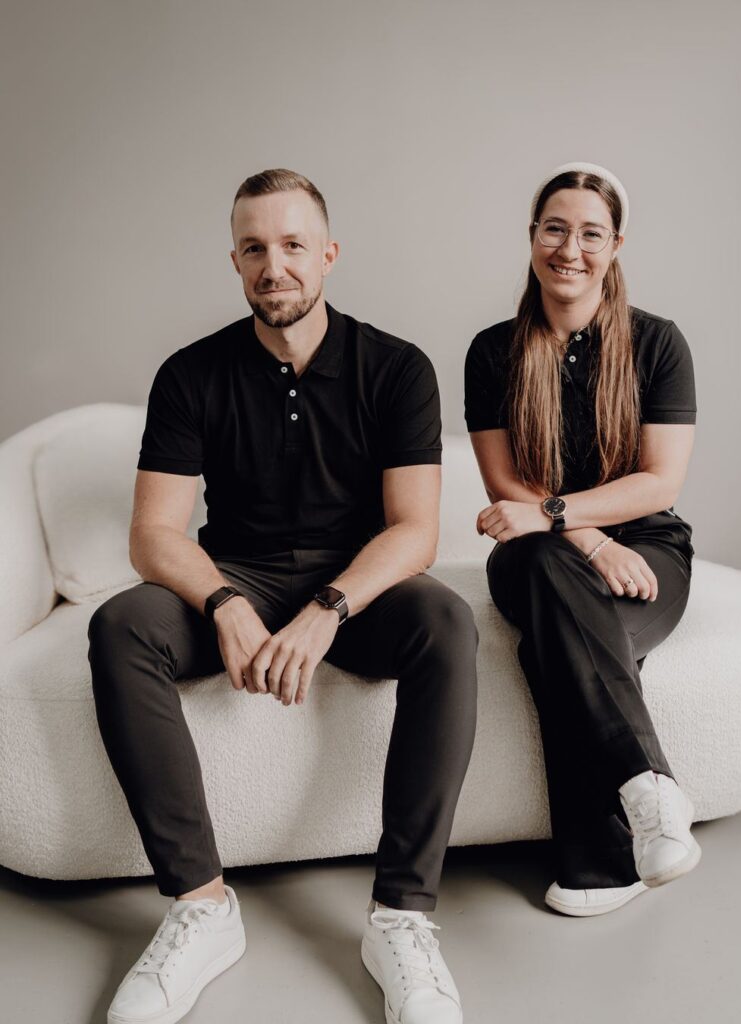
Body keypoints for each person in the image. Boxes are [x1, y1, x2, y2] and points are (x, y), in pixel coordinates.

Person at [89, 168, 475, 1024]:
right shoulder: (191, 373)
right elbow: (153, 536)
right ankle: (200, 907)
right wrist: (224, 601)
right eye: (255, 248)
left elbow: (413, 531)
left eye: (294, 245)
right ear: (234, 260)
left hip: (354, 584)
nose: (276, 267)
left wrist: (328, 609)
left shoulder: (396, 368)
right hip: (239, 573)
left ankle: (401, 918)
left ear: (328, 254)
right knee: (120, 624)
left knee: (446, 620)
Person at [464, 161, 701, 918]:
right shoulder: (491, 351)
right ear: (533, 236)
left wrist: (562, 515)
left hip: (648, 548)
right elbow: (506, 486)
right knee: (542, 562)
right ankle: (650, 790)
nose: (570, 249)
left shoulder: (657, 343)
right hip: (537, 556)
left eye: (591, 234)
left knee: (555, 646)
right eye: (555, 229)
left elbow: (659, 482)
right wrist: (590, 541)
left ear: (615, 245)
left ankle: (596, 863)